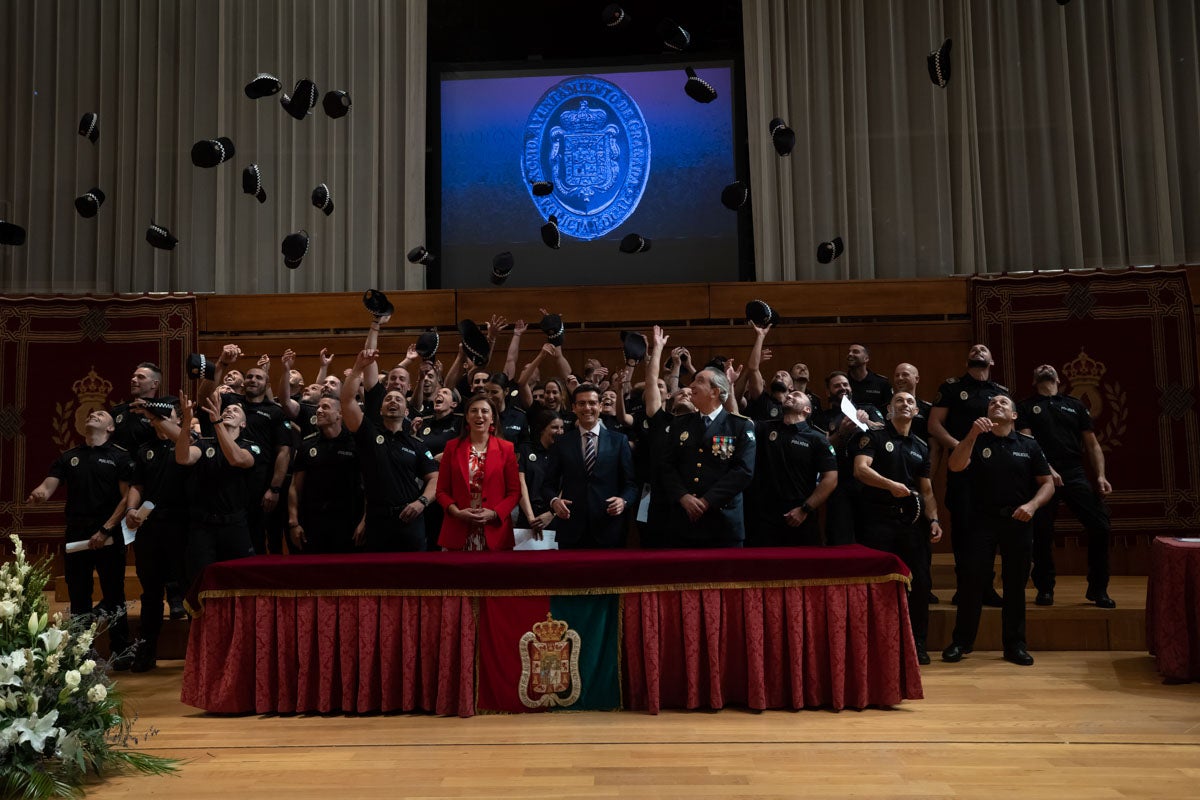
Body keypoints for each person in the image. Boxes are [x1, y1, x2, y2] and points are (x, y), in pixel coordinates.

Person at [941, 395, 1054, 667]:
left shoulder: (1029, 445)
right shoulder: (976, 440)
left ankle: (1015, 645)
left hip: (1018, 520)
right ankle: (962, 642)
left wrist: (1032, 505)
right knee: (972, 583)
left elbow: (1047, 483)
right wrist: (971, 434)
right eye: (992, 403)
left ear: (1014, 416)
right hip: (981, 521)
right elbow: (955, 465)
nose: (996, 405)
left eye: (1003, 403)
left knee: (1015, 585)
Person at [26, 409, 134, 669]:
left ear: (110, 428)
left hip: (108, 534)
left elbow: (126, 498)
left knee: (114, 594)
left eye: (100, 415)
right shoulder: (69, 457)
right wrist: (40, 493)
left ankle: (121, 651)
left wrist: (106, 529)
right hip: (76, 535)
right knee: (79, 596)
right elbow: (48, 486)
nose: (93, 415)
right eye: (91, 414)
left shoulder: (120, 456)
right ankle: (81, 652)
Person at [852, 392, 943, 664]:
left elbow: (926, 490)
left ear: (916, 411)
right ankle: (874, 643)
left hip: (911, 524)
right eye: (899, 402)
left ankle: (918, 643)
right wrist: (890, 485)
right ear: (889, 410)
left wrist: (935, 519)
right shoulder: (873, 437)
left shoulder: (920, 446)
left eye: (909, 402)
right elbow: (860, 470)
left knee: (921, 583)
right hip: (877, 521)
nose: (905, 404)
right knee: (877, 582)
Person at [1018, 364, 1116, 608]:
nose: (1044, 367)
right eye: (1040, 367)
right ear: (1034, 379)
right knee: (1041, 533)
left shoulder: (1075, 405)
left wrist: (1101, 476)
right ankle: (1045, 588)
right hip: (1041, 474)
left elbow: (1092, 445)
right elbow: (1028, 442)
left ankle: (1098, 588)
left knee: (1100, 525)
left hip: (1074, 473)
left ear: (1057, 377)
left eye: (1049, 366)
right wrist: (1047, 468)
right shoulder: (1026, 407)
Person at [928, 344, 1010, 606]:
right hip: (961, 467)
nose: (978, 351)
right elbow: (934, 424)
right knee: (963, 528)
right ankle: (964, 588)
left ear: (992, 360)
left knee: (991, 528)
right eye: (973, 350)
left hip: (993, 470)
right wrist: (957, 446)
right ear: (967, 361)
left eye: (984, 349)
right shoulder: (952, 387)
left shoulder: (1000, 393)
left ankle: (986, 587)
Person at [342, 350, 438, 552]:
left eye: (398, 400)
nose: (393, 401)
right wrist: (358, 368)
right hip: (377, 521)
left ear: (406, 411)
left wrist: (421, 502)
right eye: (388, 399)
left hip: (410, 519)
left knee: (415, 578)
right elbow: (347, 401)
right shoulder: (367, 433)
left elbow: (435, 479)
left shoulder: (416, 443)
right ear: (380, 409)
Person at [125, 400, 190, 671]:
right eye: (157, 417)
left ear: (177, 418)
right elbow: (137, 484)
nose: (160, 420)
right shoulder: (144, 450)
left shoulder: (189, 442)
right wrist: (131, 509)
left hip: (182, 527)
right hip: (150, 529)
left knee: (189, 589)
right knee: (150, 592)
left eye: (166, 415)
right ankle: (146, 652)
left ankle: (197, 654)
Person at [659, 366, 756, 547]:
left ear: (715, 391)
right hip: (684, 521)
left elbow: (743, 471)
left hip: (723, 523)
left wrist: (706, 501)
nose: (692, 385)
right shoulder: (679, 424)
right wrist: (683, 496)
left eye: (700, 381)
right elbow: (666, 466)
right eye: (694, 380)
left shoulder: (739, 426)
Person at [541, 385, 638, 549]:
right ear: (573, 407)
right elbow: (547, 485)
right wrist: (554, 501)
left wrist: (623, 501)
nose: (587, 408)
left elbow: (631, 485)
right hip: (571, 528)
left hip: (608, 527)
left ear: (600, 406)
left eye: (592, 403)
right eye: (582, 403)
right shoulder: (561, 442)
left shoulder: (619, 441)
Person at [175, 396, 257, 585]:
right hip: (203, 526)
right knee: (199, 580)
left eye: (235, 411)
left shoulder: (251, 446)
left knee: (240, 579)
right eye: (226, 410)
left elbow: (236, 459)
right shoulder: (204, 444)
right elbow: (183, 458)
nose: (229, 411)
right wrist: (187, 422)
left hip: (234, 524)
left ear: (243, 423)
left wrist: (217, 422)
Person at [748, 389, 838, 547]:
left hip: (801, 516)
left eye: (796, 395)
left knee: (804, 570)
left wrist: (805, 509)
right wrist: (729, 386)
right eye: (788, 395)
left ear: (807, 410)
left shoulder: (816, 439)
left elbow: (830, 479)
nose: (789, 395)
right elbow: (736, 418)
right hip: (765, 517)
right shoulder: (766, 428)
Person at [436, 393, 521, 551]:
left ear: (493, 418)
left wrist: (494, 513)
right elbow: (441, 491)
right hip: (458, 526)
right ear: (467, 417)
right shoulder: (451, 447)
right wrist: (456, 512)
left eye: (484, 411)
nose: (479, 415)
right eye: (474, 411)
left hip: (495, 529)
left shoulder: (507, 448)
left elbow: (515, 493)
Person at [811, 371, 885, 545]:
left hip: (869, 483)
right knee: (840, 536)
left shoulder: (868, 409)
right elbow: (822, 449)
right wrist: (841, 433)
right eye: (837, 386)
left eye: (845, 384)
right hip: (839, 484)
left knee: (872, 536)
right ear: (828, 392)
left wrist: (869, 423)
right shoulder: (822, 418)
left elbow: (885, 433)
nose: (842, 388)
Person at [288, 394, 364, 554]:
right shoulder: (307, 444)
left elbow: (370, 485)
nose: (319, 411)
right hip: (314, 521)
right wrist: (294, 522)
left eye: (325, 407)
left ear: (340, 414)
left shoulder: (356, 444)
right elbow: (295, 487)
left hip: (348, 522)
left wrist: (365, 521)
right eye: (318, 408)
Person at [517, 408, 563, 533]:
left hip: (555, 517)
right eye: (554, 427)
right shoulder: (525, 450)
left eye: (561, 428)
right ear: (542, 429)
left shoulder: (564, 453)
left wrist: (551, 514)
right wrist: (532, 519)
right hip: (528, 517)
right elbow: (520, 484)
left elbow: (566, 486)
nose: (559, 432)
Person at [846, 344, 892, 416]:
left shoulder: (882, 383)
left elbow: (888, 412)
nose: (850, 354)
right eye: (849, 352)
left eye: (855, 352)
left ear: (866, 358)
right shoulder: (843, 383)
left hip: (877, 425)